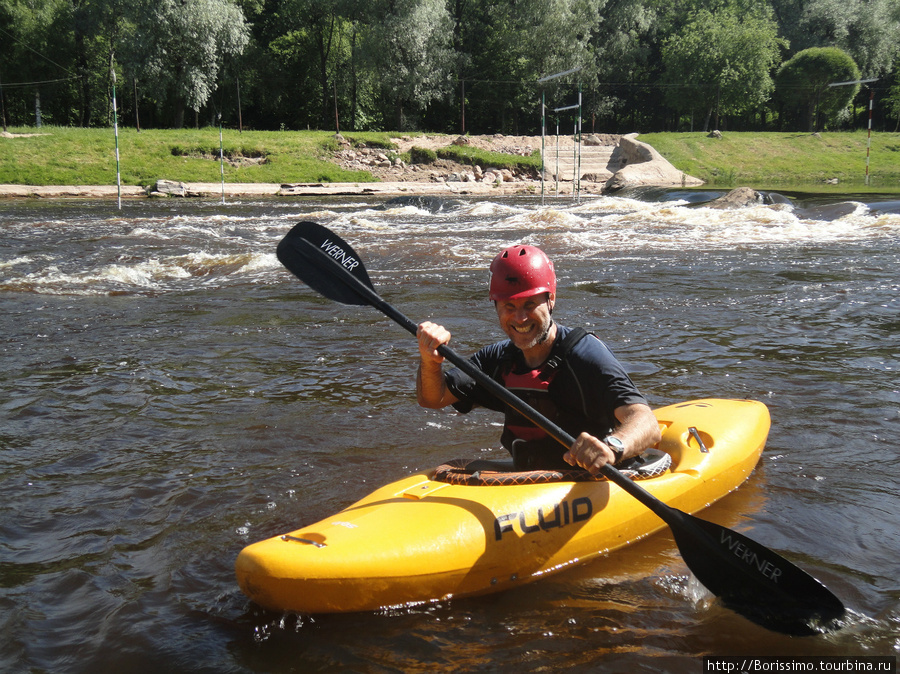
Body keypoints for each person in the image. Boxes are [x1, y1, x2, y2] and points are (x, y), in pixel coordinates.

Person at [416, 244, 661, 474]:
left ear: (550, 299)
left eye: (530, 304)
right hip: (531, 477)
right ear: (496, 307)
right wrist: (430, 360)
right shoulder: (498, 358)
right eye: (509, 306)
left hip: (592, 477)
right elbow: (433, 398)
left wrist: (613, 446)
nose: (520, 318)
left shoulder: (585, 354)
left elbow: (646, 422)